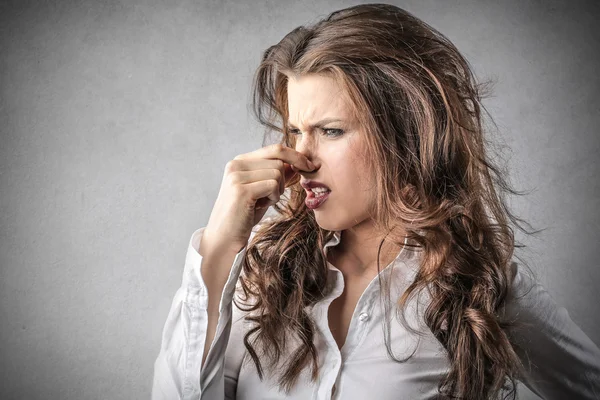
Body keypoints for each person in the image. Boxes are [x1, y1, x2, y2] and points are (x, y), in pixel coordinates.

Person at [151, 3, 600, 399]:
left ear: (402, 134)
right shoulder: (259, 275)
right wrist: (217, 252)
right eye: (293, 132)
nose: (301, 159)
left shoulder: (478, 289)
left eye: (330, 131)